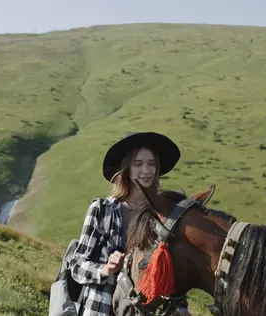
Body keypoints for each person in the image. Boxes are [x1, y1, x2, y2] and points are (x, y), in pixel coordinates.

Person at [68, 132, 191, 316]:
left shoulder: (161, 215)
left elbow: (171, 269)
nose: (146, 170)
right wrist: (105, 269)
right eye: (138, 164)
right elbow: (76, 265)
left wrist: (181, 308)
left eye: (151, 163)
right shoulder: (102, 209)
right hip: (100, 310)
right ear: (126, 168)